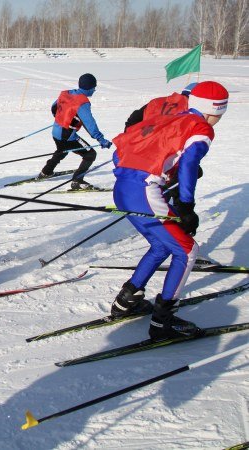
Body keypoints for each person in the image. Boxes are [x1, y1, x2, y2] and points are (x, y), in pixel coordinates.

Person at [109, 81, 228, 341]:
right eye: (220, 114)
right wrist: (186, 206)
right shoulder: (200, 127)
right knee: (186, 249)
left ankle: (126, 301)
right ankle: (163, 322)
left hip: (124, 189)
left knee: (162, 245)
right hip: (145, 192)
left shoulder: (169, 119)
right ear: (213, 111)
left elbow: (122, 151)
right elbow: (188, 165)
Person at [38, 73, 112, 190]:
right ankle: (77, 181)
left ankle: (46, 172)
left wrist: (61, 119)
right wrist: (100, 139)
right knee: (90, 154)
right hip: (67, 136)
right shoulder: (82, 102)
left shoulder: (67, 93)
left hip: (56, 131)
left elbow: (54, 107)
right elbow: (89, 123)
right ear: (89, 88)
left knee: (62, 150)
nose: (94, 90)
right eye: (93, 88)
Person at [124, 83, 196, 130]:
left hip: (143, 140)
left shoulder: (156, 101)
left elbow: (135, 116)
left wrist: (128, 134)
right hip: (166, 147)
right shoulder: (191, 108)